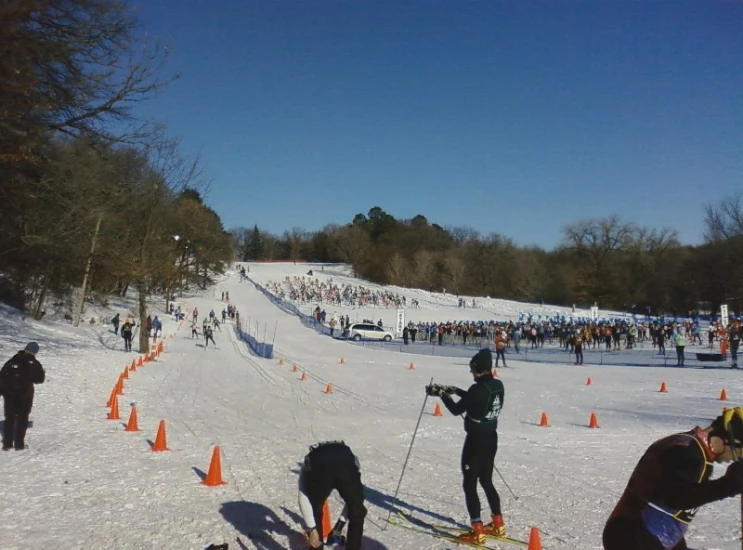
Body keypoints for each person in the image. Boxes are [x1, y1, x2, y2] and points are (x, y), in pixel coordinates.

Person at [603, 407, 743, 550]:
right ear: (729, 438)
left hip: (649, 537)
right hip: (633, 536)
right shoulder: (684, 451)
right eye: (739, 450)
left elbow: (673, 517)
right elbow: (676, 497)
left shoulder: (695, 451)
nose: (734, 458)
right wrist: (731, 484)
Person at [426, 348, 506, 544]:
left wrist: (443, 394)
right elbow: (475, 398)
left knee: (469, 484)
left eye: (472, 369)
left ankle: (477, 530)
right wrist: (455, 390)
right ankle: (498, 524)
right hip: (490, 439)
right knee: (486, 480)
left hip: (475, 442)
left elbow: (456, 409)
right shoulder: (497, 384)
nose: (471, 373)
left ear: (478, 369)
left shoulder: (476, 390)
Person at [298, 440, 366, 550]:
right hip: (338, 460)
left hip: (322, 462)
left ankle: (316, 541)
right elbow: (354, 501)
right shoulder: (352, 460)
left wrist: (312, 528)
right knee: (357, 511)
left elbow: (304, 498)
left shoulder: (309, 465)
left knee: (315, 507)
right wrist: (339, 524)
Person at [0, 342, 46, 450]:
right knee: (22, 419)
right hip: (24, 395)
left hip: (9, 394)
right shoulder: (33, 363)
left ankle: (7, 444)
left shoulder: (11, 361)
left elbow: (2, 376)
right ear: (35, 352)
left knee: (9, 418)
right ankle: (19, 445)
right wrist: (42, 373)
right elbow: (39, 379)